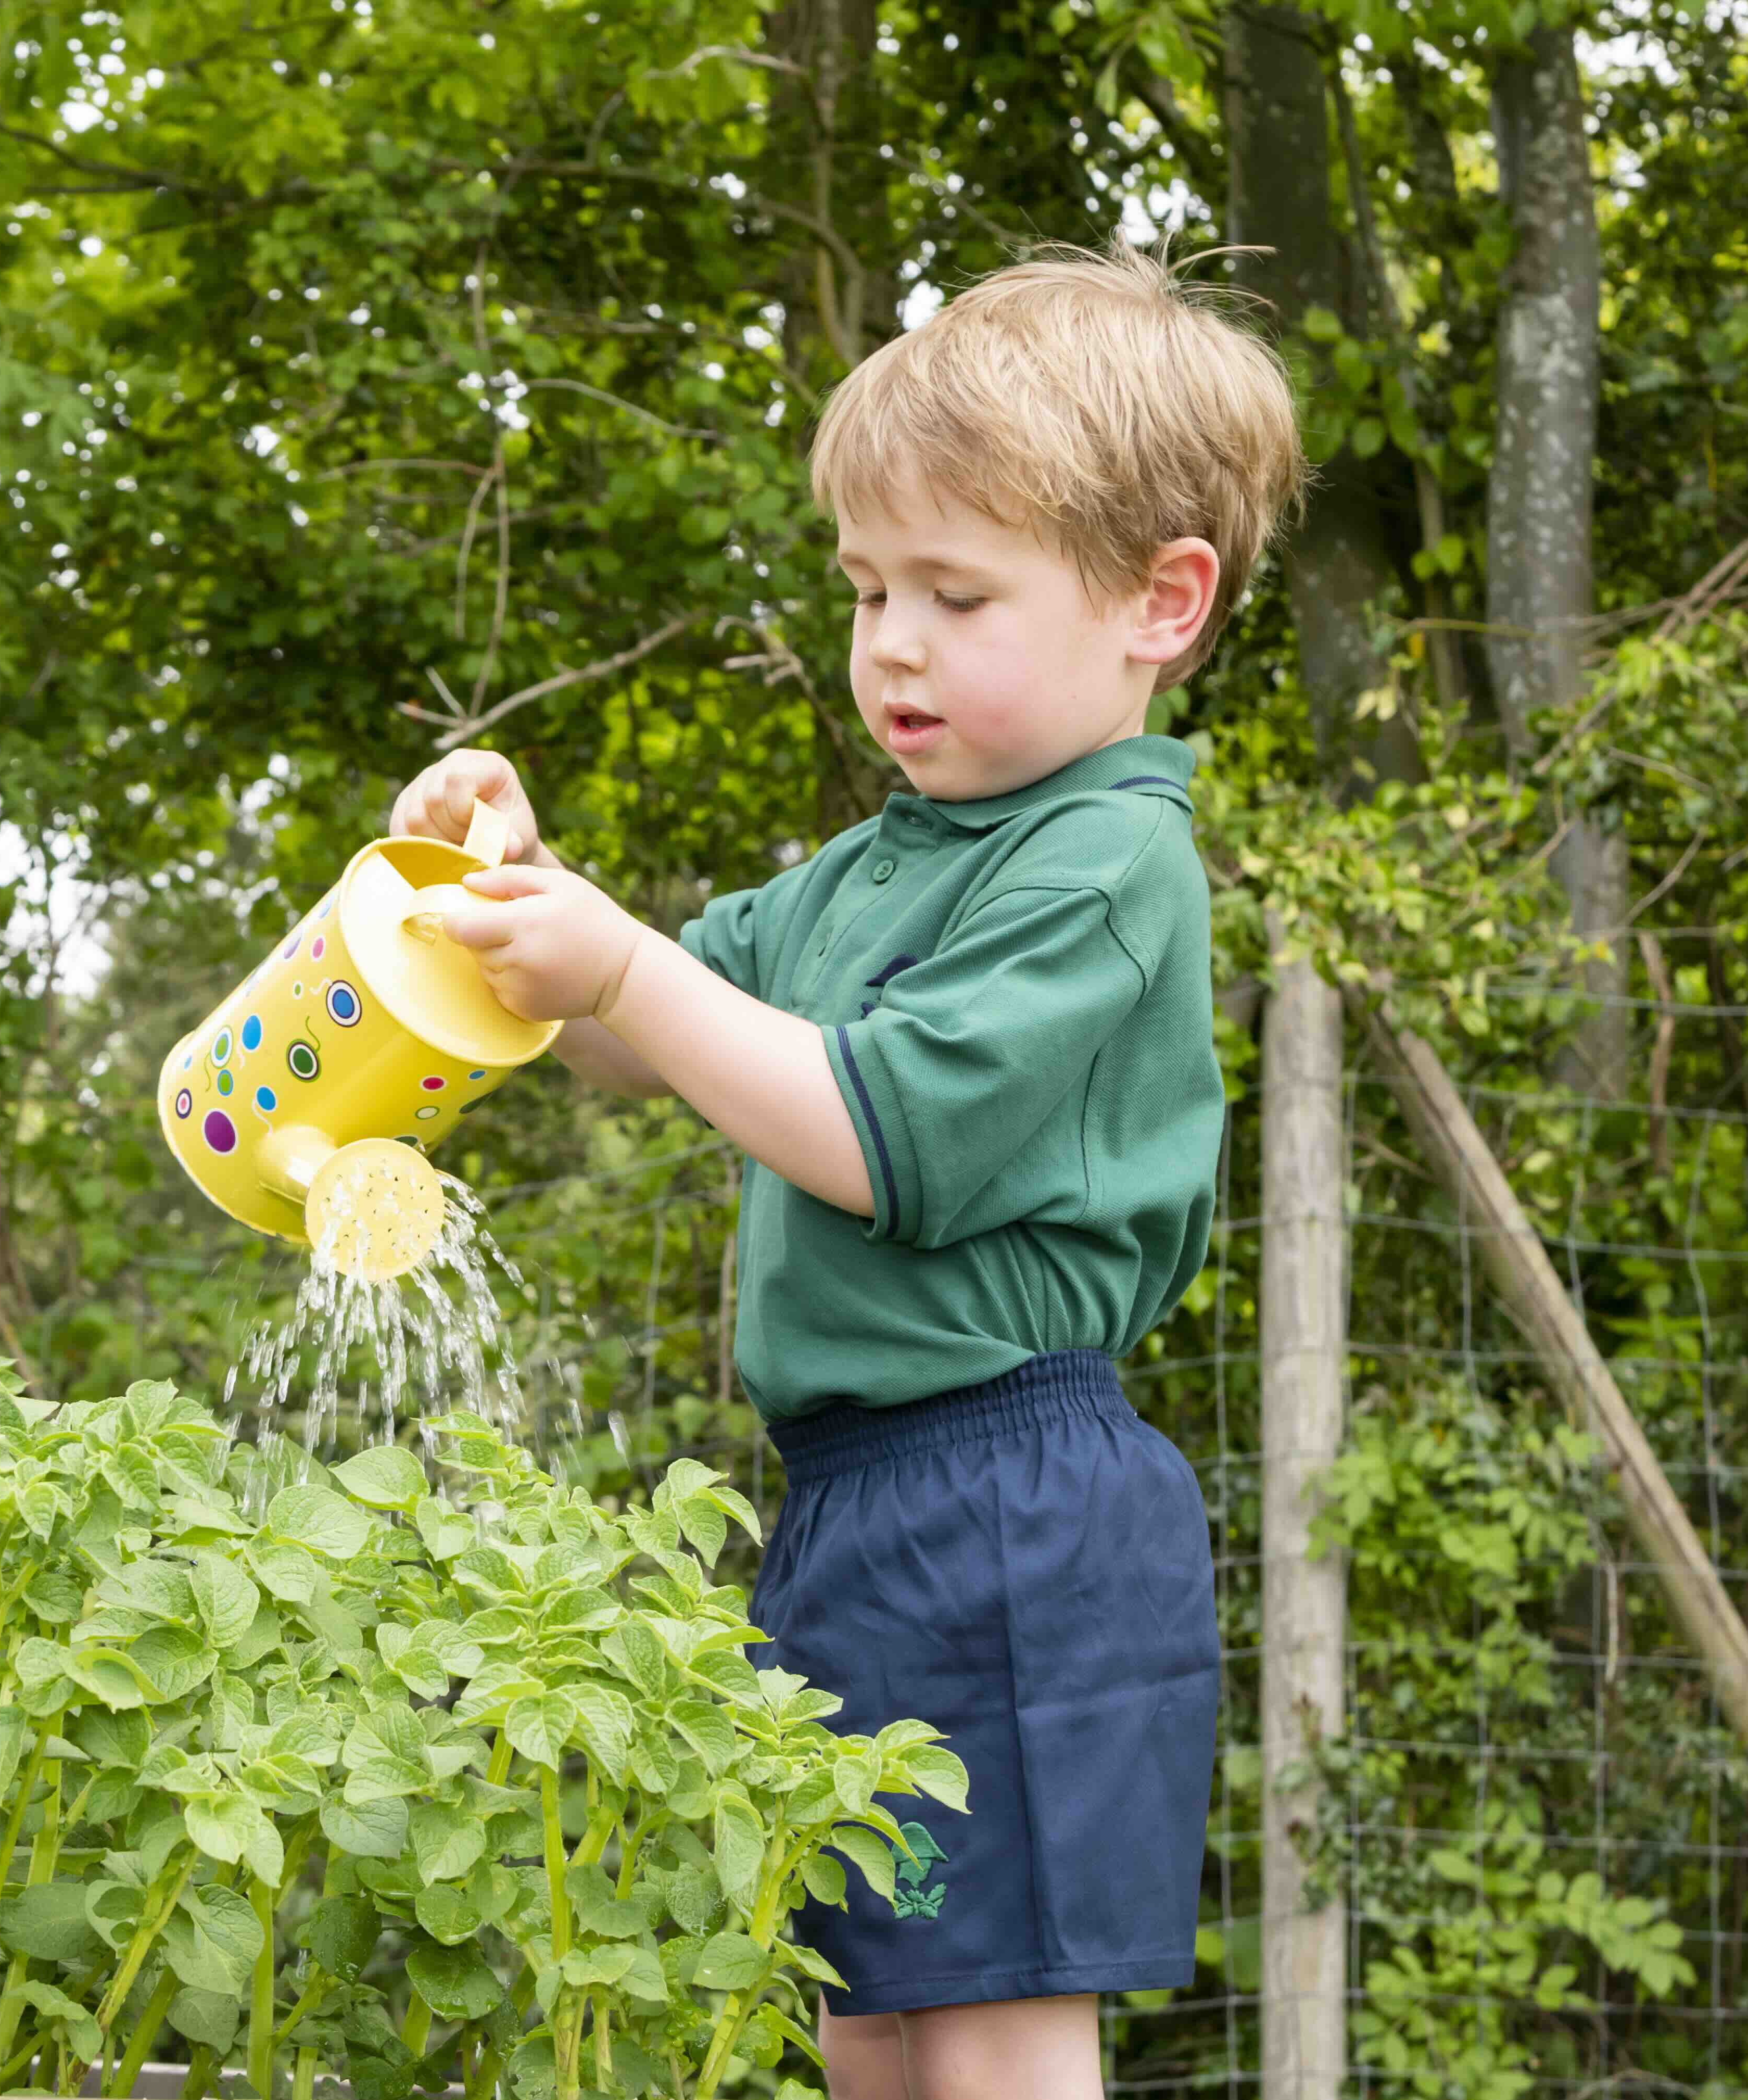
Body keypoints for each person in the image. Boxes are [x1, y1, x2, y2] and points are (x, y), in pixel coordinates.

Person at [387, 243, 1304, 2099]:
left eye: (955, 593)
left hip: (1015, 1506)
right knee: (862, 2030)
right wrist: (516, 903)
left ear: (1160, 600)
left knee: (991, 2037)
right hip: (851, 1500)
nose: (889, 640)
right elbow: (652, 1028)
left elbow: (874, 1134)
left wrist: (624, 959)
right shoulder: (874, 866)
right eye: (868, 586)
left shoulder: (1106, 863)